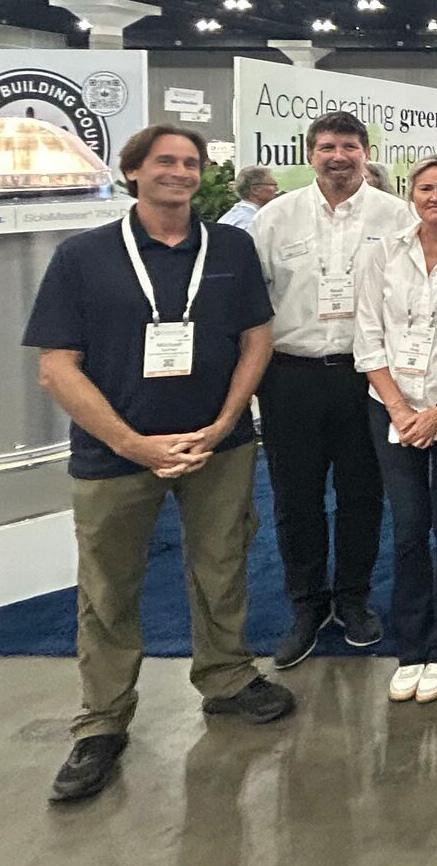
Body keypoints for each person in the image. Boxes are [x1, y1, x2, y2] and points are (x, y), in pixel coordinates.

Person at [22, 124, 294, 804]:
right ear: (133, 172)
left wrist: (228, 421)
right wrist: (131, 443)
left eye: (190, 162)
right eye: (165, 161)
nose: (180, 172)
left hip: (218, 444)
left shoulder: (229, 247)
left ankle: (226, 675)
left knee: (222, 563)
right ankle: (102, 719)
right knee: (108, 587)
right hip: (115, 452)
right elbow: (57, 367)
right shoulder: (83, 256)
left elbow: (256, 338)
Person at [249, 112, 415, 668]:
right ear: (310, 154)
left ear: (365, 152)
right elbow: (254, 301)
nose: (338, 156)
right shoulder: (274, 218)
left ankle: (353, 598)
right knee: (295, 497)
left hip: (365, 377)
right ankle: (307, 604)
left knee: (362, 494)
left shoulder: (396, 216)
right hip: (290, 376)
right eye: (326, 147)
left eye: (348, 146)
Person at [354, 154, 437, 703]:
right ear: (411, 194)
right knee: (408, 528)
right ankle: (411, 645)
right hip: (391, 408)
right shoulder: (383, 254)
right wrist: (400, 410)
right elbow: (367, 336)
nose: (435, 197)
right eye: (426, 188)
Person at [218, 165, 279, 229]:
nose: (277, 189)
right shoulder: (252, 221)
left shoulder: (231, 215)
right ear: (255, 190)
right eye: (273, 185)